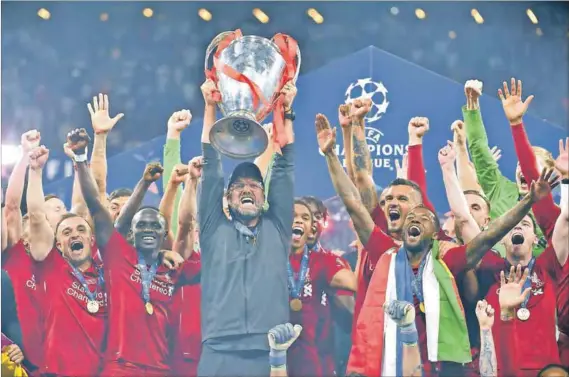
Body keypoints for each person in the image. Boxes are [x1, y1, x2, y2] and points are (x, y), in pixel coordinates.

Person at [68, 128, 201, 376]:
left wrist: (193, 181)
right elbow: (95, 203)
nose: (148, 229)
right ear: (132, 232)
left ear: (164, 235)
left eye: (155, 226)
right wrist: (80, 157)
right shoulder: (118, 257)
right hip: (120, 368)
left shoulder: (173, 267)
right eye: (141, 225)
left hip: (161, 370)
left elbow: (187, 227)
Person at [196, 78, 296, 376]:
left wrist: (283, 113)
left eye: (254, 184)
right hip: (218, 348)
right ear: (227, 197)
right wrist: (210, 106)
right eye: (238, 186)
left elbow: (285, 167)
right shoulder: (214, 228)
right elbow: (211, 167)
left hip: (269, 349)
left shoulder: (277, 228)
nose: (247, 189)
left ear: (264, 196)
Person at [26, 145, 107, 376]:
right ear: (58, 245)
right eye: (66, 232)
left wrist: (84, 156)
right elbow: (36, 216)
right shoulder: (52, 267)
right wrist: (35, 171)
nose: (74, 235)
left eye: (81, 229)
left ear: (92, 240)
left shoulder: (109, 272)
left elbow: (96, 196)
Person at [286, 199, 356, 377]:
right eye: (294, 216)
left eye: (308, 217)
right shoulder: (268, 258)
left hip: (315, 364)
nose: (300, 221)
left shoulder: (327, 261)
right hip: (273, 361)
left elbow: (359, 287)